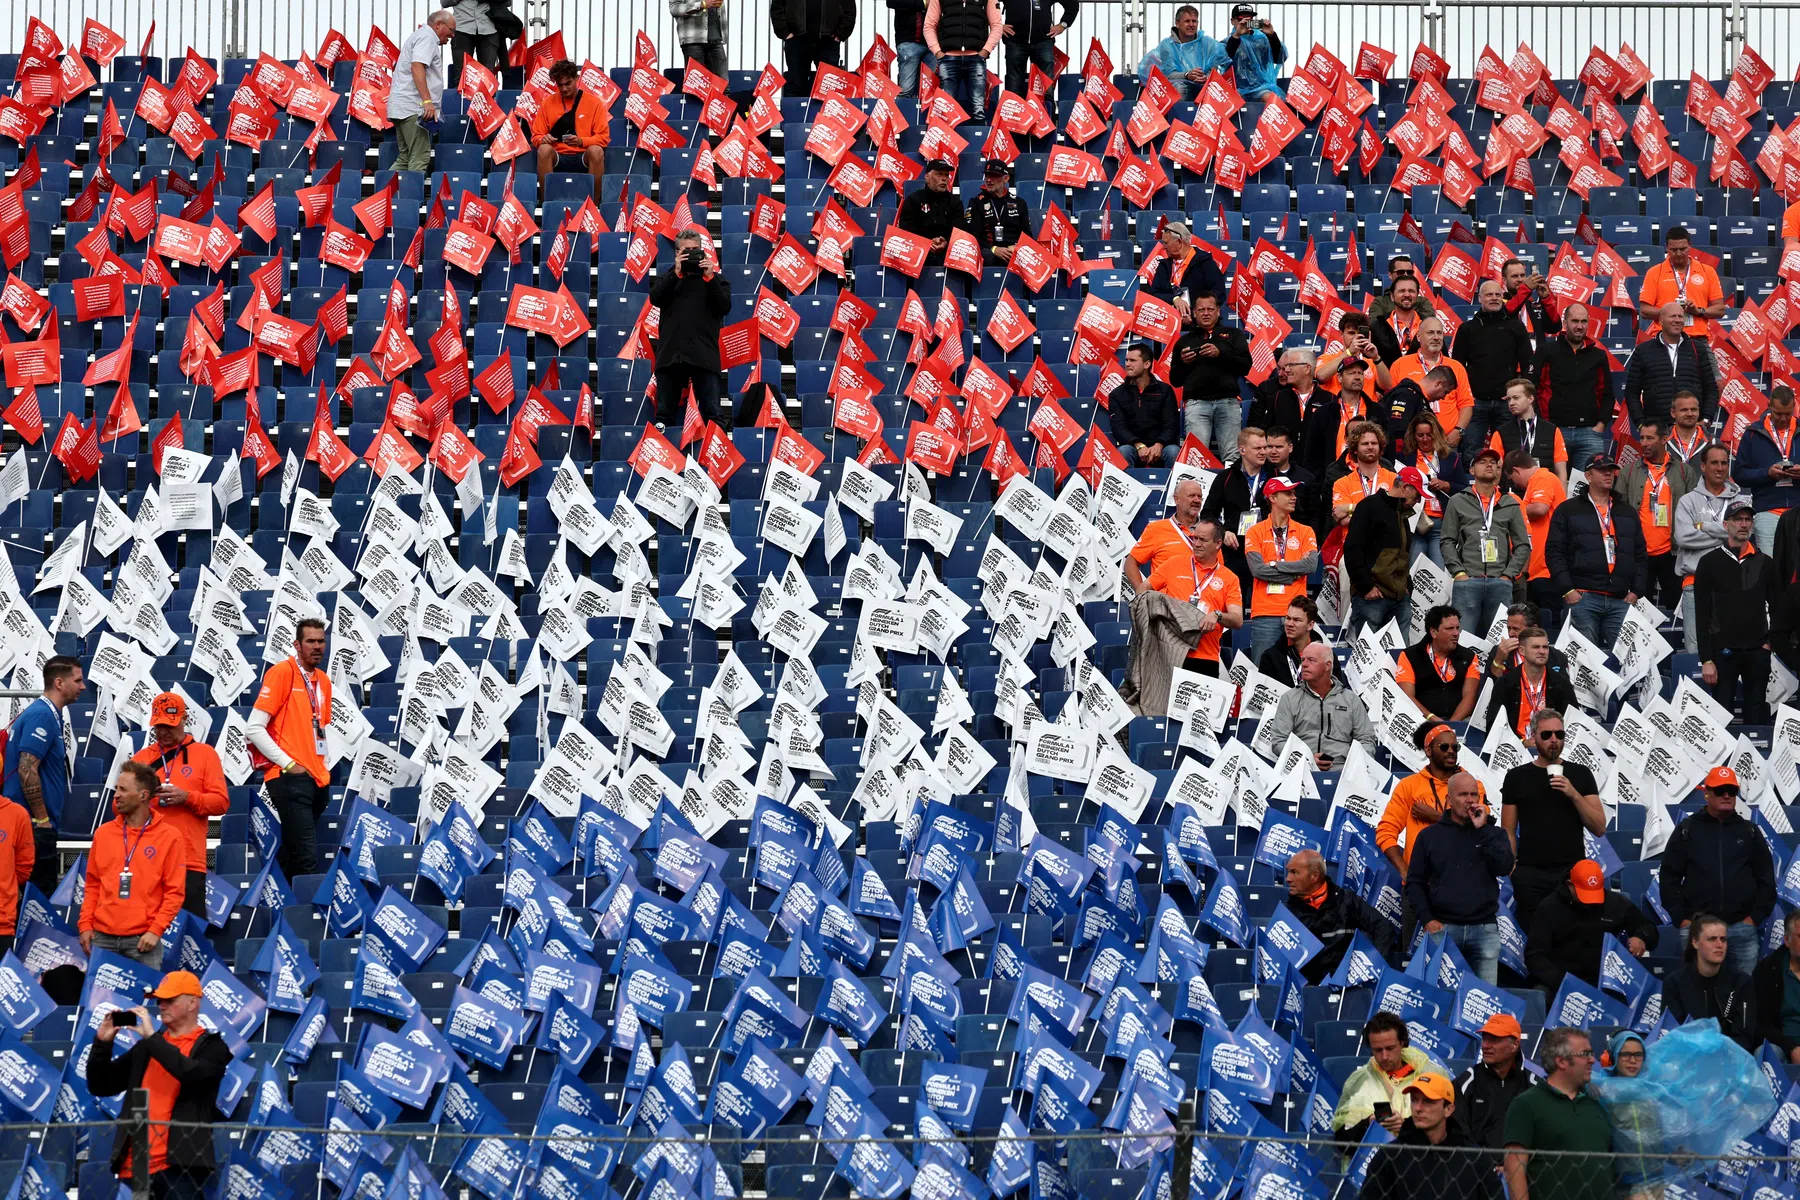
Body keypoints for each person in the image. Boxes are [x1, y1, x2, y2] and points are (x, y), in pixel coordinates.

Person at [86, 970, 233, 1199]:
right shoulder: (147, 1047)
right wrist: (102, 1044)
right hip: (136, 1165)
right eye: (160, 1000)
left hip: (182, 1165)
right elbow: (101, 1085)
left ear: (193, 1003)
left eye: (170, 1000)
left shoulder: (213, 1047)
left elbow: (190, 1073)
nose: (162, 1005)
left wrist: (152, 1039)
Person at [1659, 766, 1775, 979]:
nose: (1726, 796)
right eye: (1720, 790)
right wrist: (1682, 919)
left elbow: (1766, 879)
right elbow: (1668, 877)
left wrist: (1754, 919)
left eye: (1731, 791)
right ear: (1707, 793)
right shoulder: (1687, 829)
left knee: (1742, 996)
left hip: (1742, 930)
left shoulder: (1749, 831)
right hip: (1699, 930)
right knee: (1697, 994)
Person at [1501, 708, 1606, 933]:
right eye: (1547, 735)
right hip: (1531, 875)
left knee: (1571, 943)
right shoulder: (1516, 777)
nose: (1554, 741)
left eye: (1559, 735)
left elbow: (1599, 827)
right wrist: (1512, 869)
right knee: (1536, 943)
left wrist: (1573, 794)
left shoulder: (1580, 774)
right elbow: (1507, 830)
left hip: (1571, 874)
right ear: (1533, 736)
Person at [79, 761, 188, 969]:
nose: (116, 795)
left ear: (143, 795)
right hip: (102, 940)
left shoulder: (170, 837)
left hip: (143, 943)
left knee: (143, 1003)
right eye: (116, 788)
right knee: (100, 1003)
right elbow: (92, 885)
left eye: (123, 789)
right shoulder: (103, 834)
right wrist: (85, 924)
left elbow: (174, 892)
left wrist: (156, 930)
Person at [249, 620, 334, 880]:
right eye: (310, 641)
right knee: (306, 859)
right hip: (290, 777)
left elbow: (318, 729)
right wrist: (289, 765)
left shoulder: (324, 681)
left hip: (316, 778)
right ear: (297, 645)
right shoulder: (282, 672)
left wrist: (322, 767)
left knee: (293, 854)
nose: (317, 646)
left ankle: (277, 903)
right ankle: (303, 917)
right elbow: (253, 728)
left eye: (321, 641)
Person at [132, 694, 229, 920]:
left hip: (188, 861)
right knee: (144, 934)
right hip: (146, 861)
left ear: (184, 720)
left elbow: (221, 803)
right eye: (158, 726)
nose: (163, 731)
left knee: (190, 935)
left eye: (169, 725)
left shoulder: (205, 754)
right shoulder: (141, 759)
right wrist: (143, 798)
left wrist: (188, 798)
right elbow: (118, 808)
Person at [1501, 1027, 1615, 1200]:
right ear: (1561, 1061)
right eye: (1585, 1054)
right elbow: (1514, 1169)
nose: (1592, 1060)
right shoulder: (1526, 1104)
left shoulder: (1598, 1103)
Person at [1546, 455, 1646, 651]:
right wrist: (1568, 590)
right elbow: (1554, 552)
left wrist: (1636, 591)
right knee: (1586, 662)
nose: (1608, 473)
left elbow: (1640, 554)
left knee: (1627, 661)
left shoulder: (1626, 511)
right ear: (1588, 476)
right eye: (1602, 470)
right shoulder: (1568, 510)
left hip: (1620, 599)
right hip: (1583, 597)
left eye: (1611, 469)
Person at [4, 655, 83, 893]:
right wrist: (42, 821)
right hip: (33, 826)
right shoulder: (42, 715)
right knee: (36, 901)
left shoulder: (46, 714)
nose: (83, 686)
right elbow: (27, 767)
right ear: (59, 683)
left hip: (31, 825)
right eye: (78, 680)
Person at [1358, 1070, 1500, 1200]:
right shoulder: (1390, 1156)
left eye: (1428, 1101)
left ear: (1448, 1109)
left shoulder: (1475, 1158)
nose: (1418, 1108)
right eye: (1414, 1100)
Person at [1694, 501, 1776, 723]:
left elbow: (1777, 606)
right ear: (1726, 524)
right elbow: (1701, 614)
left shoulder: (1765, 562)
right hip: (1723, 653)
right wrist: (1707, 659)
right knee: (1721, 718)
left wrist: (1769, 643)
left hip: (1758, 651)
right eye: (1738, 519)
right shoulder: (1709, 562)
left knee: (1756, 717)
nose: (1743, 524)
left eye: (1748, 520)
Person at [1525, 858, 1657, 993]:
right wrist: (1562, 980)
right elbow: (1535, 956)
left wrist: (1641, 937)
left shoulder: (1615, 903)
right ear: (1570, 885)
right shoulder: (1549, 908)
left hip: (1604, 980)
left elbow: (1648, 928)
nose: (1589, 902)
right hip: (1561, 980)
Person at [646, 227, 733, 426]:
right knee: (664, 416)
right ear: (677, 253)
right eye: (686, 251)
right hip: (671, 356)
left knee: (713, 414)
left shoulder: (716, 279)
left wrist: (710, 278)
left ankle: (712, 456)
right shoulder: (667, 277)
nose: (691, 254)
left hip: (704, 355)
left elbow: (725, 307)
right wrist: (676, 272)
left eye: (695, 250)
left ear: (703, 251)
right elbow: (655, 298)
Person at [1443, 447, 1529, 635]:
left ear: (1499, 470)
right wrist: (1459, 573)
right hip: (1468, 580)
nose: (1489, 465)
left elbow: (1523, 544)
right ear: (1472, 470)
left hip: (1500, 581)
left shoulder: (1510, 503)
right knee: (1464, 640)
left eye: (1493, 462)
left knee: (1498, 642)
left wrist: (1508, 575)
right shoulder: (1457, 501)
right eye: (1482, 462)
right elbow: (1447, 540)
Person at [1143, 517, 1242, 676]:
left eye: (1202, 540)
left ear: (1218, 544)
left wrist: (1217, 615)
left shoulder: (1229, 578)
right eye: (1194, 538)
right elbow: (1144, 588)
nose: (1196, 544)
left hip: (1205, 657)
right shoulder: (1173, 563)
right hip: (1169, 653)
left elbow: (1237, 620)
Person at [1378, 724, 1480, 876]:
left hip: (1461, 880)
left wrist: (1436, 817)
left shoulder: (1473, 786)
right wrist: (1404, 870)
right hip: (1419, 882)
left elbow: (1477, 827)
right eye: (1444, 747)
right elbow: (1385, 832)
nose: (1451, 751)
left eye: (1455, 747)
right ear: (1428, 750)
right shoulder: (1408, 786)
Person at [1332, 1012, 1446, 1144]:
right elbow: (1342, 1139)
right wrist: (1369, 1124)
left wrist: (1405, 1127)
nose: (1384, 1056)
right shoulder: (1359, 1080)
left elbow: (1446, 1132)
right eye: (1377, 1050)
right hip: (1372, 1161)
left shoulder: (1432, 1076)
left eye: (1390, 1048)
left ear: (1402, 1043)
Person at [1261, 642, 1378, 769]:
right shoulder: (1289, 698)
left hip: (1343, 770)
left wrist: (1355, 766)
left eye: (1311, 660)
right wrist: (1306, 759)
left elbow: (1366, 739)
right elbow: (1279, 740)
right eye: (1303, 660)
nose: (1304, 664)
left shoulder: (1351, 700)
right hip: (1300, 769)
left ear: (1327, 665)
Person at [1285, 848, 1392, 985]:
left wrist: (1374, 965)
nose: (1288, 879)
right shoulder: (1288, 912)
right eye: (1289, 872)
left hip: (1349, 986)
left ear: (1314, 876)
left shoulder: (1347, 900)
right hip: (1311, 990)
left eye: (1294, 872)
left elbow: (1383, 927)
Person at [1619, 417, 1695, 611]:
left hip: (1673, 551)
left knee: (1677, 609)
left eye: (1650, 438)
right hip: (1640, 553)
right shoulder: (1628, 472)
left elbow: (1695, 508)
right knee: (1642, 612)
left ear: (1664, 439)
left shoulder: (1684, 471)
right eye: (1642, 438)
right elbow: (1618, 512)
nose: (1644, 443)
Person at [1455, 279, 1535, 454]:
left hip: (1507, 402)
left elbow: (1528, 363)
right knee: (1471, 451)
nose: (1494, 298)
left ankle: (1508, 482)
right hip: (1475, 403)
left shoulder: (1516, 327)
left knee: (1511, 452)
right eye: (1489, 295)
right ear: (1480, 298)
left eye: (1498, 295)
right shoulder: (1466, 329)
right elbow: (1458, 367)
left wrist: (1519, 394)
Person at [1243, 478, 1318, 664]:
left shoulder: (1306, 531)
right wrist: (1293, 574)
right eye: (1288, 493)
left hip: (1296, 614)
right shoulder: (1254, 531)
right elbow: (1257, 570)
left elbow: (1310, 566)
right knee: (1262, 673)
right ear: (1273, 498)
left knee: (1299, 672)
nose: (1294, 497)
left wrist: (1275, 565)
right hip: (1265, 613)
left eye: (1293, 493)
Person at [1674, 442, 1739, 655]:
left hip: (1732, 584)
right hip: (1695, 583)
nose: (1720, 468)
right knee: (1695, 651)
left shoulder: (1740, 499)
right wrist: (1725, 532)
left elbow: (1743, 535)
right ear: (1703, 466)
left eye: (1724, 463)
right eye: (1714, 463)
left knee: (1730, 648)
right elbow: (1683, 537)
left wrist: (1702, 527)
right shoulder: (1687, 501)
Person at [1531, 302, 1614, 472]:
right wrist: (1544, 425)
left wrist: (1600, 425)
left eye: (1583, 322)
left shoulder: (1598, 356)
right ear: (1565, 323)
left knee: (1587, 490)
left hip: (1589, 433)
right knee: (1552, 486)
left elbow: (1607, 393)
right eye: (1574, 321)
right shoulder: (1546, 351)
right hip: (1554, 431)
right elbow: (1533, 390)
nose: (1579, 326)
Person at [1636, 225, 1725, 379]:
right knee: (1662, 386)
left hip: (1698, 340)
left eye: (1683, 249)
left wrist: (1698, 311)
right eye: (1673, 250)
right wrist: (1670, 313)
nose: (1678, 253)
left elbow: (1720, 309)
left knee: (1716, 384)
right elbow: (1644, 310)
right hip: (1664, 340)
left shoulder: (1707, 271)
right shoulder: (1654, 272)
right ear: (1666, 248)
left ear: (1690, 246)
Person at [1343, 466, 1424, 635]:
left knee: (1399, 658)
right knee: (1368, 658)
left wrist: (1407, 587)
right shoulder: (1369, 506)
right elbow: (1352, 549)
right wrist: (1366, 587)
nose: (1418, 500)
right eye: (1417, 495)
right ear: (1405, 488)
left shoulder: (1403, 515)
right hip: (1372, 596)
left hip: (1400, 598)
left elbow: (1402, 557)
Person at [1173, 294, 1251, 462]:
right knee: (1195, 457)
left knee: (1232, 456)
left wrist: (1220, 354)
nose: (1206, 313)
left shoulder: (1234, 334)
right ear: (1194, 313)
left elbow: (1246, 366)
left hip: (1228, 402)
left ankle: (1231, 488)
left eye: (1210, 309)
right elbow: (1175, 380)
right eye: (1201, 309)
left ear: (1218, 311)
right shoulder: (1184, 340)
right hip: (1196, 404)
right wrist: (1184, 362)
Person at [1662, 913, 1758, 1051]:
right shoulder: (1674, 983)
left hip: (1728, 1059)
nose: (1719, 945)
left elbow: (1744, 1037)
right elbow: (1672, 1033)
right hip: (1688, 1058)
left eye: (1723, 939)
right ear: (1695, 942)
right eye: (1712, 939)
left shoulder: (1741, 982)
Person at [1622, 300, 1718, 431]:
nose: (1678, 320)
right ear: (1661, 320)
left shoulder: (1698, 349)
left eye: (1680, 316)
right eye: (1673, 316)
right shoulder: (1643, 351)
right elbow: (1632, 392)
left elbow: (1711, 388)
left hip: (1692, 428)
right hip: (1657, 430)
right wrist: (1641, 424)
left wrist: (1706, 420)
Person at [1201, 426, 1268, 599]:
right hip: (1234, 551)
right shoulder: (1225, 477)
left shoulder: (1274, 475)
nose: (1263, 452)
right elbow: (1208, 514)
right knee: (1232, 604)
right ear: (1242, 450)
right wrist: (1223, 533)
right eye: (1257, 448)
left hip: (1267, 552)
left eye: (1264, 447)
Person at [1507, 449, 1569, 634]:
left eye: (1512, 479)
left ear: (1517, 471)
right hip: (1537, 569)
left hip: (1547, 569)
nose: (1515, 484)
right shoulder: (1536, 483)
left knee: (1549, 630)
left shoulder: (1543, 477)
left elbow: (1541, 508)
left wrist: (1512, 505)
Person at [1732, 384, 1799, 555]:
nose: (1783, 418)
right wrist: (1766, 474)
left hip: (1798, 509)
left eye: (1788, 414)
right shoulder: (1753, 433)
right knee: (1770, 569)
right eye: (1778, 414)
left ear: (1794, 407)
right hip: (1767, 512)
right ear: (1769, 406)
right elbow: (1739, 474)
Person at [387, 11, 457, 174]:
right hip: (413, 108)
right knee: (419, 157)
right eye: (451, 30)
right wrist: (427, 102)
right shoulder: (427, 38)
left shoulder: (419, 36)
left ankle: (383, 196)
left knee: (405, 158)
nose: (453, 35)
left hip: (402, 107)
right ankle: (408, 196)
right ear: (438, 24)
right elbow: (417, 66)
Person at [1452, 1014, 1535, 1151]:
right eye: (1484, 1038)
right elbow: (1458, 1132)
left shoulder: (1533, 1085)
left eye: (1494, 1039)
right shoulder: (1465, 1083)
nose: (1485, 1045)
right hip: (1475, 1167)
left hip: (1522, 1168)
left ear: (1515, 1044)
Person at [1392, 317, 1474, 449]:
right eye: (1430, 333)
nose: (1436, 337)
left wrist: (1458, 431)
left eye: (1439, 333)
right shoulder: (1400, 365)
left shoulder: (1456, 367)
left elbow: (1466, 404)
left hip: (1447, 441)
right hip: (1412, 442)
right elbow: (1393, 404)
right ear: (1418, 336)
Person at [530, 60, 610, 195]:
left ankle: (594, 205)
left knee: (596, 151)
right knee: (543, 150)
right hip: (557, 155)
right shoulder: (547, 102)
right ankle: (547, 203)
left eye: (568, 84)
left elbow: (603, 138)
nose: (564, 89)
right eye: (560, 85)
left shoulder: (594, 103)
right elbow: (536, 137)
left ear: (576, 79)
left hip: (583, 155)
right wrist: (544, 139)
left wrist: (581, 141)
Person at [1486, 626, 1576, 744]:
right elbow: (1493, 726)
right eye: (1536, 647)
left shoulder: (1561, 683)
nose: (1542, 651)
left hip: (1552, 748)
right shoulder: (1505, 683)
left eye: (1545, 647)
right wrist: (1522, 743)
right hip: (1515, 750)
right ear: (1522, 651)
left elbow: (1573, 724)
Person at [1398, 410, 1464, 568]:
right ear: (1413, 435)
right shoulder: (1404, 457)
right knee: (1415, 572)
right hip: (1414, 522)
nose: (1425, 439)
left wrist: (1446, 485)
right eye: (1420, 435)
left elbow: (1464, 489)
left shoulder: (1450, 457)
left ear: (1436, 433)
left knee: (1439, 572)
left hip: (1441, 523)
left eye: (1429, 434)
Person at [1396, 611, 1481, 724]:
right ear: (1433, 632)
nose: (1456, 633)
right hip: (1423, 720)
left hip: (1459, 721)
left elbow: (1470, 695)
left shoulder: (1469, 657)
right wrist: (1432, 718)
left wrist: (1451, 724)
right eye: (1450, 628)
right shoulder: (1409, 656)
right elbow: (1408, 697)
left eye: (1457, 628)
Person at [1303, 358, 1381, 481]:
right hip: (1334, 479)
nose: (1357, 377)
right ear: (1339, 378)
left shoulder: (1377, 411)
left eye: (1360, 373)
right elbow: (1312, 455)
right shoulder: (1324, 413)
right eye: (1351, 373)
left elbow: (1387, 448)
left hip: (1371, 480)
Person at [1124, 477, 1205, 592]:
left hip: (1201, 605)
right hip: (1165, 605)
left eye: (1199, 496)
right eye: (1191, 496)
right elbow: (1130, 564)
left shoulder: (1209, 531)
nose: (1197, 500)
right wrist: (1143, 595)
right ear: (1176, 499)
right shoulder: (1156, 529)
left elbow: (1219, 570)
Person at [923, 0, 1000, 121]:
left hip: (976, 58)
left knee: (978, 109)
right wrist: (937, 52)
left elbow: (997, 25)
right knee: (946, 111)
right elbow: (929, 25)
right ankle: (947, 139)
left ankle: (979, 138)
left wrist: (986, 50)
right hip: (948, 59)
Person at [1109, 343, 1181, 467]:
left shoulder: (1165, 390)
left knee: (1173, 451)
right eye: (1126, 360)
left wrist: (1159, 444)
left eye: (1133, 360)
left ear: (1147, 364)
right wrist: (1138, 445)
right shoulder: (1116, 394)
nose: (1127, 364)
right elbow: (1118, 428)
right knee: (1123, 451)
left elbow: (1171, 424)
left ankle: (1174, 487)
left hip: (1162, 446)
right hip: (1133, 447)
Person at [1487, 378, 1568, 486]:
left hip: (1545, 495)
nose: (1511, 403)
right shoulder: (1500, 433)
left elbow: (1561, 473)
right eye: (1509, 399)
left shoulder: (1552, 430)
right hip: (1512, 498)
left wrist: (1561, 502)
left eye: (1516, 398)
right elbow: (1495, 472)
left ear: (1530, 399)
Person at [1137, 4, 1226, 100]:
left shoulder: (1207, 43)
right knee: (1179, 88)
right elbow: (1167, 75)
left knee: (1218, 88)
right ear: (1177, 23)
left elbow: (1220, 64)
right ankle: (1179, 115)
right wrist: (1187, 75)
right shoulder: (1167, 46)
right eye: (1187, 21)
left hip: (1205, 85)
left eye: (1194, 21)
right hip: (1181, 86)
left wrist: (1207, 77)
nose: (1191, 25)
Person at [772, 0, 856, 98]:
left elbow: (849, 9)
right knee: (796, 86)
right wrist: (784, 33)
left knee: (830, 88)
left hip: (827, 41)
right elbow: (776, 7)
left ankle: (826, 113)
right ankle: (794, 112)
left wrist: (841, 34)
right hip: (797, 40)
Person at [999, 0, 1075, 107]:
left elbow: (1072, 4)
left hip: (1043, 41)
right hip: (1015, 41)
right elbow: (987, 3)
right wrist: (998, 25)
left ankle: (1047, 118)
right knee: (1013, 86)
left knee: (1045, 87)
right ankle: (1013, 121)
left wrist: (1063, 25)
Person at [1146, 222, 1227, 319]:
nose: (1163, 247)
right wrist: (1174, 299)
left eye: (1166, 243)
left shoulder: (1205, 263)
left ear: (1179, 242)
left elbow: (1219, 294)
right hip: (1169, 322)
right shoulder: (1164, 265)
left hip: (1199, 324)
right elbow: (1153, 294)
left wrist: (1194, 314)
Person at [897, 160, 969, 265]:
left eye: (946, 175)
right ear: (927, 177)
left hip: (948, 250)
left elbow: (960, 231)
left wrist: (946, 242)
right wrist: (926, 243)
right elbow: (907, 230)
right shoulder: (914, 200)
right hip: (919, 249)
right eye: (939, 174)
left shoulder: (955, 202)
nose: (944, 178)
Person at [1752, 908, 1800, 1063]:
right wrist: (1791, 1047)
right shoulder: (1767, 971)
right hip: (1784, 1047)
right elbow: (1759, 1025)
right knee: (1765, 1053)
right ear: (1786, 940)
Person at [1328, 421, 1395, 528]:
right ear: (1355, 449)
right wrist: (1379, 512)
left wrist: (1349, 508)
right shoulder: (1342, 484)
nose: (1370, 447)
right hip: (1353, 543)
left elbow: (1394, 515)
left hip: (1385, 543)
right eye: (1365, 443)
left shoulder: (1393, 479)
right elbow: (1343, 520)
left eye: (1374, 443)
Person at [966, 159, 1032, 265]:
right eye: (987, 176)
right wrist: (993, 249)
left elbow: (1027, 235)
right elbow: (973, 235)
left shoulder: (1020, 203)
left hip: (1012, 250)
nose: (989, 180)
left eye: (994, 176)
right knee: (986, 255)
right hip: (989, 250)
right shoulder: (977, 202)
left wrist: (1016, 247)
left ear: (1006, 178)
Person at [1248, 349, 1321, 437]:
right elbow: (1256, 427)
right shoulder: (1271, 393)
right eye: (1279, 368)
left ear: (1307, 368)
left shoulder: (1326, 397)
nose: (1281, 373)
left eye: (1290, 366)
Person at [1258, 597, 1326, 687]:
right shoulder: (1270, 657)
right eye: (1288, 618)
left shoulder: (1326, 656)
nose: (1289, 624)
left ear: (1310, 625)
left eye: (1296, 620)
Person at [1368, 273, 1433, 366]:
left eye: (1411, 291)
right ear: (1392, 296)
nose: (1407, 294)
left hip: (1422, 379)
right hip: (1386, 379)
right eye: (1401, 291)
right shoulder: (1378, 326)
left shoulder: (1428, 325)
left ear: (1417, 295)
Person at [1222, 3, 1284, 101]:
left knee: (1272, 99)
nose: (1245, 22)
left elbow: (1279, 58)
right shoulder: (1227, 42)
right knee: (1233, 100)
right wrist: (1236, 36)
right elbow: (1223, 61)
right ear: (1232, 21)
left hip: (1260, 88)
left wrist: (1271, 35)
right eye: (1241, 19)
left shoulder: (1262, 40)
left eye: (1249, 19)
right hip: (1235, 88)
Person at [450, 0, 511, 87]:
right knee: (461, 78)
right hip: (462, 27)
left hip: (489, 27)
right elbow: (444, 2)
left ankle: (487, 99)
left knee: (487, 78)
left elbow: (508, 2)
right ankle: (460, 100)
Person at [888, 0, 935, 95]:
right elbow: (891, 2)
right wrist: (923, 3)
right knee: (906, 91)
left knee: (929, 93)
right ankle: (903, 109)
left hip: (932, 43)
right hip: (909, 41)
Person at [672, 0, 729, 78]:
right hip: (693, 39)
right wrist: (702, 4)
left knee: (723, 85)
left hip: (716, 39)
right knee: (695, 84)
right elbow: (674, 8)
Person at [1665, 391, 1712, 467]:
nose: (1690, 414)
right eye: (1684, 410)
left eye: (1693, 409)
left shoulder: (1712, 442)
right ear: (1673, 413)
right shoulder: (1662, 443)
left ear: (1698, 411)